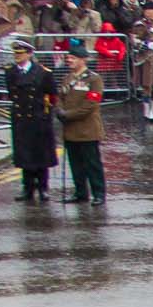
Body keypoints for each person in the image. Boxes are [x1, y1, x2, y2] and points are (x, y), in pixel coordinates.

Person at [4, 37, 57, 202]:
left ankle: (43, 188)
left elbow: (52, 95)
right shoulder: (10, 72)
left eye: (21, 54)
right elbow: (12, 95)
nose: (17, 56)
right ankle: (27, 188)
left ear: (29, 54)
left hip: (38, 118)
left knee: (40, 155)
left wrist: (46, 113)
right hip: (21, 119)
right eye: (16, 54)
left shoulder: (43, 73)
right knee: (24, 155)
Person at [55, 40, 106, 203]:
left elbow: (90, 105)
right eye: (68, 58)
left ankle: (98, 193)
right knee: (75, 164)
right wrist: (59, 110)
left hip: (87, 130)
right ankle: (80, 192)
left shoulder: (94, 79)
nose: (69, 60)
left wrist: (67, 114)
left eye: (73, 58)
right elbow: (60, 98)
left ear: (83, 59)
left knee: (92, 164)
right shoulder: (67, 78)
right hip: (70, 130)